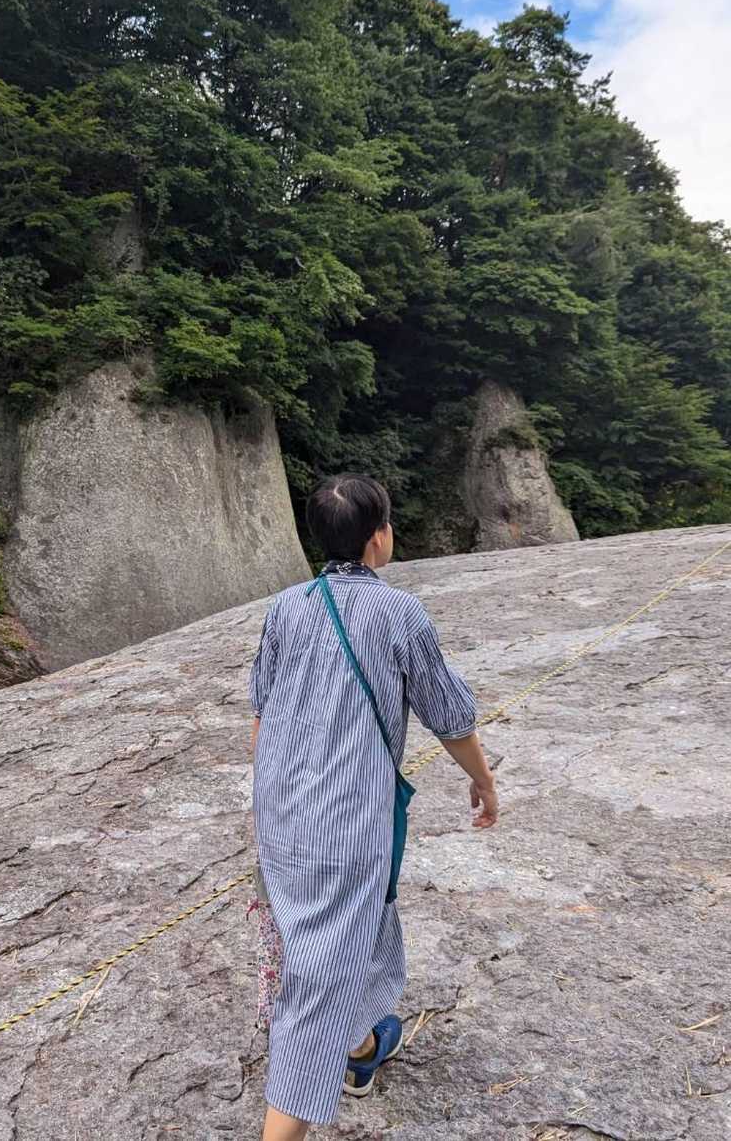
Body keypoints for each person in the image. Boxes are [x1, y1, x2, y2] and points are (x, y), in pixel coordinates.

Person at [250, 474, 499, 1141]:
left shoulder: (286, 607)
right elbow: (449, 714)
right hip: (347, 824)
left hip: (282, 815)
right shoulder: (399, 613)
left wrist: (268, 804)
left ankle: (361, 1047)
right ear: (378, 538)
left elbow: (262, 712)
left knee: (339, 939)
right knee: (311, 998)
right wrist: (483, 781)